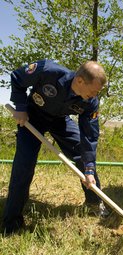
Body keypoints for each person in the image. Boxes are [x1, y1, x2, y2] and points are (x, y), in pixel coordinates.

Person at [2, 59, 109, 234]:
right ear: (80, 80)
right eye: (93, 91)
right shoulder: (47, 70)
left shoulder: (91, 102)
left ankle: (94, 203)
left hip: (61, 121)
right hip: (32, 117)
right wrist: (20, 107)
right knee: (24, 165)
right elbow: (17, 77)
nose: (95, 95)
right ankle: (11, 222)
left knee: (84, 158)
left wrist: (89, 169)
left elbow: (89, 136)